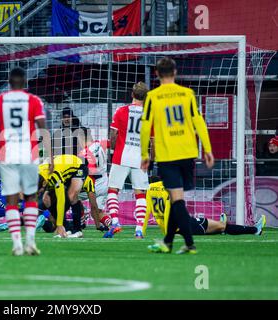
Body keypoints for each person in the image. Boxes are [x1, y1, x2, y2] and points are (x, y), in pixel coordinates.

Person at [140, 57, 214, 254]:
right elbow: (199, 122)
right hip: (188, 152)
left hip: (168, 155)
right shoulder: (187, 94)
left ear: (156, 73)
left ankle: (189, 244)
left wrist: (145, 154)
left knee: (177, 200)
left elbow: (146, 127)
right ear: (175, 72)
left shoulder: (153, 97)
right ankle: (168, 242)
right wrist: (207, 149)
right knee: (175, 198)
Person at [0, 67, 52, 256]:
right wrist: (49, 155)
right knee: (31, 197)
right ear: (25, 82)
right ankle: (31, 242)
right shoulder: (34, 100)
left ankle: (17, 244)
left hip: (7, 153)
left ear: (9, 83)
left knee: (10, 198)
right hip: (29, 152)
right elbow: (43, 128)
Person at [142, 177, 266, 238]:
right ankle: (255, 230)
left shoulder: (149, 190)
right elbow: (170, 209)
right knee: (223, 227)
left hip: (174, 228)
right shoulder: (168, 188)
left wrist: (141, 231)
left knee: (219, 227)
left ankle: (221, 225)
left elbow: (146, 212)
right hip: (184, 225)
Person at [105, 82, 150, 239]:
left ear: (132, 94)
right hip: (140, 158)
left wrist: (112, 151)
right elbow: (153, 141)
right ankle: (138, 230)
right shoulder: (149, 115)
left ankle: (116, 222)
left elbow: (113, 135)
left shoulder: (121, 111)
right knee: (140, 194)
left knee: (113, 190)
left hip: (121, 156)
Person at [37, 154, 89, 238]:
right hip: (62, 171)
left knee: (71, 197)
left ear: (43, 183)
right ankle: (67, 228)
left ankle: (78, 230)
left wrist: (59, 224)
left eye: (40, 191)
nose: (39, 193)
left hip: (79, 165)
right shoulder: (38, 173)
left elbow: (61, 201)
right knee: (46, 199)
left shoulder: (54, 176)